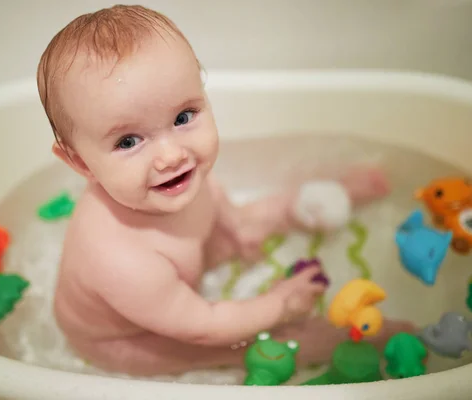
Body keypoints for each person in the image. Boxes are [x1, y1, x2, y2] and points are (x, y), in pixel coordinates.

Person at [36, 4, 411, 376]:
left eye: (183, 117)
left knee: (244, 224)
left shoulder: (166, 180)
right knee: (242, 346)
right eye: (128, 141)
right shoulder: (121, 260)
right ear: (82, 165)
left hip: (178, 273)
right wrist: (278, 305)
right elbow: (203, 326)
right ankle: (329, 340)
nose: (171, 155)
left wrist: (234, 223)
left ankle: (324, 199)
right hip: (131, 339)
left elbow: (213, 197)